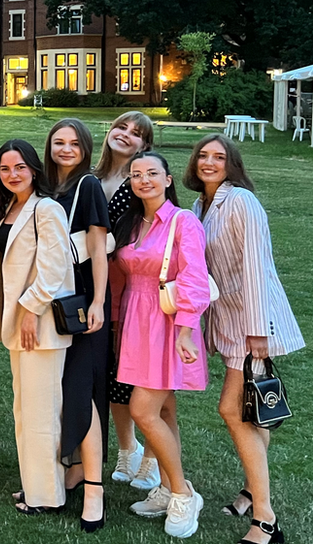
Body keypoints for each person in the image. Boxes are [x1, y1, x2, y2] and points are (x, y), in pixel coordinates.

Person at [186, 134, 303, 544]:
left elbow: (257, 265)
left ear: (231, 164)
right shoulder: (200, 205)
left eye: (219, 157)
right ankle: (252, 490)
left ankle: (266, 520)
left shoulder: (241, 202)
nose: (209, 162)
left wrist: (257, 330)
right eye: (204, 155)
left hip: (253, 322)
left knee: (231, 410)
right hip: (229, 321)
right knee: (252, 410)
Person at [110, 151, 211, 538]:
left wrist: (186, 329)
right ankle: (168, 486)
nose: (144, 180)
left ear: (168, 179)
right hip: (136, 321)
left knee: (143, 410)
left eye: (152, 173)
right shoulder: (132, 223)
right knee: (165, 411)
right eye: (136, 175)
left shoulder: (182, 222)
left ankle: (184, 493)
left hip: (167, 323)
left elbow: (194, 278)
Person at [0, 138, 75, 514]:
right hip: (20, 325)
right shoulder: (11, 206)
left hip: (40, 325)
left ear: (34, 170)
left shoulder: (47, 209)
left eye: (19, 167)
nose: (12, 175)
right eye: (5, 169)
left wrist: (28, 309)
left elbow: (55, 270)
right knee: (25, 408)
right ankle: (34, 485)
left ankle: (48, 496)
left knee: (41, 412)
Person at [45, 118, 108, 529]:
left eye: (73, 143)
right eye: (58, 142)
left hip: (81, 299)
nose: (65, 148)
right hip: (51, 299)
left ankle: (94, 489)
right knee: (62, 390)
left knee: (82, 390)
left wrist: (99, 302)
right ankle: (73, 468)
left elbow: (100, 249)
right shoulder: (48, 188)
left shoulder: (88, 186)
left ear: (85, 148)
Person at [95, 111, 161, 489]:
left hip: (136, 289)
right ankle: (127, 449)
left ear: (145, 147)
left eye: (136, 134)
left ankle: (152, 458)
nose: (126, 135)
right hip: (97, 289)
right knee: (112, 374)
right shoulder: (92, 176)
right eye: (121, 127)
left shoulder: (142, 180)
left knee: (148, 378)